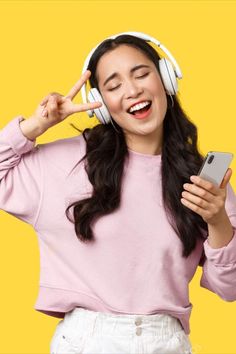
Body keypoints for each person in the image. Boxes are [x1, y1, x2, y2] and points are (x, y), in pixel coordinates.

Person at [0, 32, 236, 354]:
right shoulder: (66, 162)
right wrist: (34, 127)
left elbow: (230, 288)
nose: (132, 90)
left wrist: (217, 220)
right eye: (114, 86)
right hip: (86, 341)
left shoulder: (201, 180)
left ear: (166, 78)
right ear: (101, 104)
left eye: (141, 74)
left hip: (166, 343)